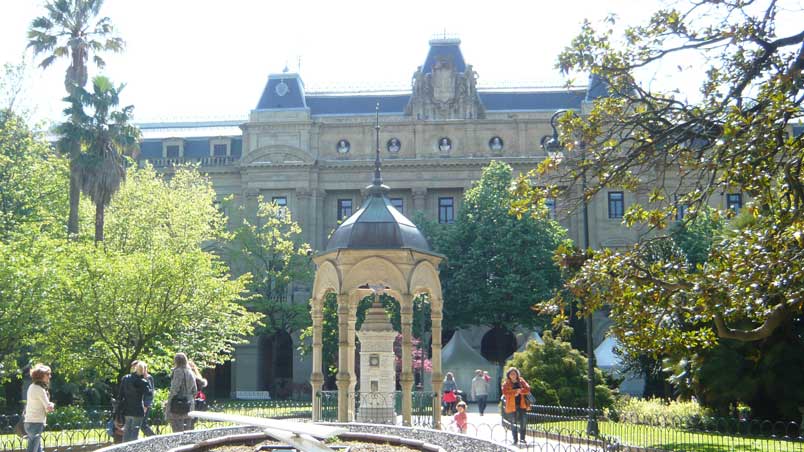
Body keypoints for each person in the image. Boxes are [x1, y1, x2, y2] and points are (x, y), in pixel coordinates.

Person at [118, 360, 152, 442]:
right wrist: (146, 379)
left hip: (127, 408)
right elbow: (149, 393)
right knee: (134, 432)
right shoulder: (143, 382)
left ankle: (124, 449)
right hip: (137, 410)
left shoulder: (125, 378)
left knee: (127, 431)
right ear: (144, 370)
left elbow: (120, 394)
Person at [24, 364, 54, 452]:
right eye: (48, 374)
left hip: (30, 422)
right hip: (35, 423)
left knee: (38, 449)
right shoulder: (39, 389)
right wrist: (52, 404)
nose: (50, 376)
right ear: (41, 376)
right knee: (32, 449)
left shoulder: (32, 386)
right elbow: (49, 408)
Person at [166, 353, 197, 433]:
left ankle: (179, 444)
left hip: (178, 404)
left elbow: (175, 389)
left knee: (177, 428)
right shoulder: (190, 372)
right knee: (188, 428)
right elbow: (195, 390)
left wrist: (169, 402)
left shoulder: (178, 371)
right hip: (189, 403)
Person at [502, 367, 531, 445]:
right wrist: (515, 392)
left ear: (517, 374)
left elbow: (528, 389)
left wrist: (520, 391)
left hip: (522, 405)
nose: (513, 375)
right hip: (512, 406)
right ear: (509, 375)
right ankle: (515, 439)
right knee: (513, 423)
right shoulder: (506, 383)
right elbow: (505, 393)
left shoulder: (521, 381)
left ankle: (522, 438)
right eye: (511, 374)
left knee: (523, 422)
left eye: (514, 373)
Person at [187, 360, 208, 428]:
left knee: (188, 421)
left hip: (191, 400)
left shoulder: (190, 377)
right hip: (196, 400)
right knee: (191, 422)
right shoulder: (198, 377)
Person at [139, 361, 156, 437]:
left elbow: (150, 393)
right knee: (141, 424)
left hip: (145, 405)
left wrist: (146, 405)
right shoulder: (140, 378)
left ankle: (154, 438)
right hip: (140, 404)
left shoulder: (148, 378)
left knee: (142, 424)